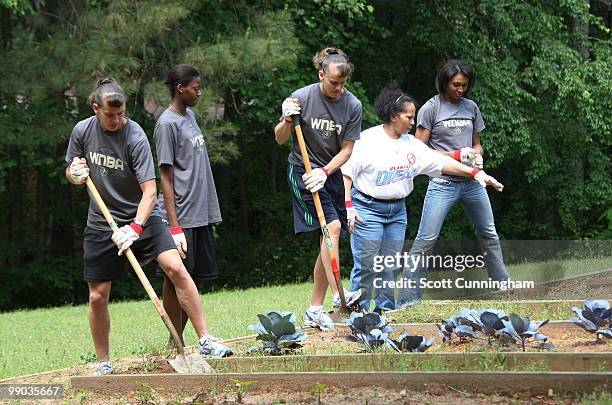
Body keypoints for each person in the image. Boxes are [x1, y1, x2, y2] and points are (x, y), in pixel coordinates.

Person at [65, 78, 231, 376]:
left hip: (143, 217)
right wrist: (74, 173)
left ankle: (206, 339)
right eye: (110, 115)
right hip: (103, 224)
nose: (117, 120)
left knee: (177, 268)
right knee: (97, 295)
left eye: (121, 114)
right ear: (95, 109)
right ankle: (103, 362)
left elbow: (150, 191)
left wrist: (136, 228)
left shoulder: (135, 135)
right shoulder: (82, 131)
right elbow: (72, 168)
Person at [342, 84, 504, 313]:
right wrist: (348, 206)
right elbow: (346, 174)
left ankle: (385, 313)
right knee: (367, 265)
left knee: (389, 265)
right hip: (367, 208)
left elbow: (442, 163)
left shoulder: (412, 145)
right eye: (409, 117)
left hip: (397, 211)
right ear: (393, 115)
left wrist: (476, 173)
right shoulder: (367, 141)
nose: (412, 122)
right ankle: (356, 314)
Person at [396, 59, 511, 307]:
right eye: (456, 85)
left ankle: (503, 287)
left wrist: (476, 154)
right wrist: (457, 156)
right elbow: (418, 150)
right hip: (442, 183)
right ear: (444, 82)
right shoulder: (431, 108)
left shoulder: (471, 107)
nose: (460, 90)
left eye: (464, 85)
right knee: (426, 239)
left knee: (489, 234)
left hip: (472, 182)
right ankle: (406, 301)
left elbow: (477, 142)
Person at [274, 47, 363, 330]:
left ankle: (314, 309)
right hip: (302, 170)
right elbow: (279, 138)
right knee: (332, 229)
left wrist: (326, 172)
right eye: (334, 82)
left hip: (330, 173)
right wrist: (287, 119)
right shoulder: (301, 97)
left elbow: (347, 150)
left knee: (329, 239)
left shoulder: (352, 105)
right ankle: (339, 294)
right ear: (321, 74)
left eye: (343, 84)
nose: (339, 88)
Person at [153, 64, 227, 350]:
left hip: (199, 212)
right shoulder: (166, 124)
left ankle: (175, 344)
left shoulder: (191, 116)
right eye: (196, 88)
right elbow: (166, 177)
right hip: (180, 215)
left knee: (187, 279)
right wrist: (174, 227)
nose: (200, 92)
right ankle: (178, 341)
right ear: (180, 88)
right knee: (176, 279)